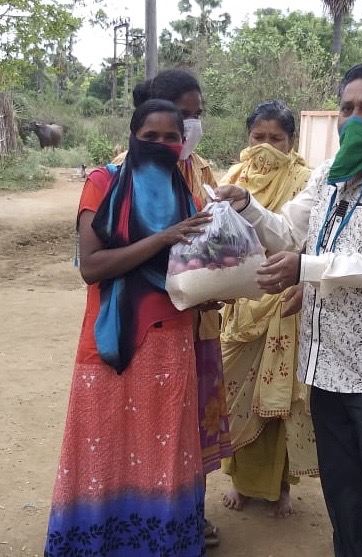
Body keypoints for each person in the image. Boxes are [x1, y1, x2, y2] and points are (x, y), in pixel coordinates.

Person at [216, 63, 362, 557]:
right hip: (325, 366)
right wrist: (248, 209)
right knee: (342, 490)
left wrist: (306, 268)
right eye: (348, 108)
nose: (355, 118)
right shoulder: (330, 173)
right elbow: (287, 231)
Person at [44, 99, 212, 556]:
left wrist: (219, 280)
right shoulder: (103, 183)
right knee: (102, 442)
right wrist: (161, 238)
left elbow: (189, 273)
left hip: (171, 339)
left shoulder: (187, 194)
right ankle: (96, 540)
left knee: (163, 446)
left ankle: (161, 542)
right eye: (150, 137)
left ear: (182, 144)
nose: (160, 145)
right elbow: (93, 266)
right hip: (110, 340)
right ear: (132, 137)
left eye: (170, 138)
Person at [114, 68, 231, 547]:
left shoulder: (200, 168)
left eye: (194, 117)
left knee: (192, 424)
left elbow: (215, 235)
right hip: (151, 323)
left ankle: (187, 513)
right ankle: (144, 516)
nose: (190, 127)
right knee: (152, 422)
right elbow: (105, 256)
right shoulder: (126, 169)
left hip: (199, 319)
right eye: (185, 114)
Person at [218, 100, 318, 517]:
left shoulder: (308, 180)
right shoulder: (232, 179)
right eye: (258, 137)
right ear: (247, 137)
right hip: (240, 303)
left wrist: (307, 285)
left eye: (275, 138)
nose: (265, 146)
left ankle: (281, 486)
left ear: (291, 141)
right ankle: (241, 482)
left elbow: (312, 242)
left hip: (284, 304)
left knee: (277, 401)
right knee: (232, 394)